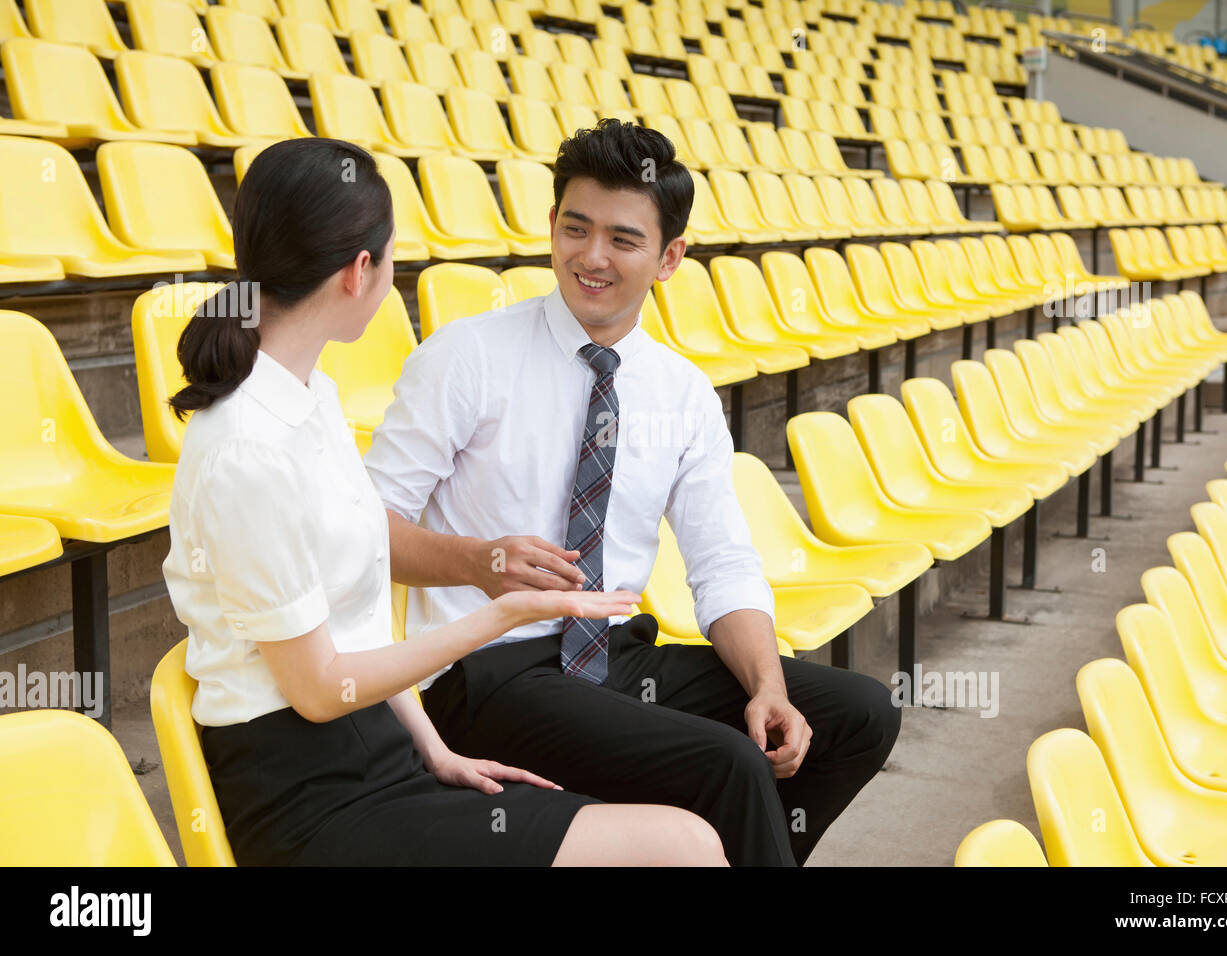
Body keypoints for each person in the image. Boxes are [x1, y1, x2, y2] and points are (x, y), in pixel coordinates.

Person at [159, 137, 727, 867]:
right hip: (309, 794)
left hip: (386, 751)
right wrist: (500, 614)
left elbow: (354, 628)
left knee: (675, 838)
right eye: (392, 258)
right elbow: (322, 690)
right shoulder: (247, 451)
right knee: (681, 847)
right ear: (360, 271)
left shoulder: (313, 397)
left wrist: (437, 749)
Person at [365, 120, 902, 867]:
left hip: (616, 660)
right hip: (488, 670)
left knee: (859, 714)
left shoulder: (680, 391)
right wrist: (478, 562)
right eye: (576, 229)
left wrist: (767, 684)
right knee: (729, 764)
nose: (591, 257)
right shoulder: (466, 358)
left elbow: (722, 564)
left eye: (622, 239)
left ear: (669, 258)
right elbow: (363, 532)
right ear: (550, 226)